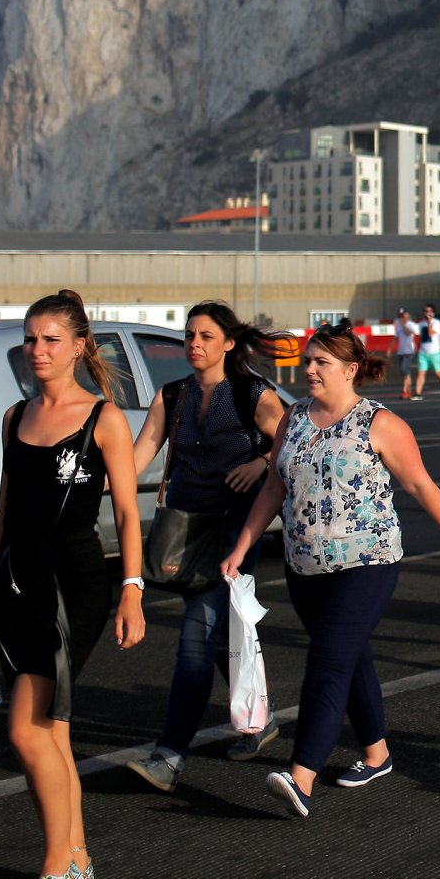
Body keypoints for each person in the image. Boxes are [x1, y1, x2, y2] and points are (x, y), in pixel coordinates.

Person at [221, 325, 440, 820]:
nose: (310, 369)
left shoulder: (380, 424)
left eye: (321, 362)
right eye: (309, 360)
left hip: (367, 563)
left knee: (327, 662)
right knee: (350, 656)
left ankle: (302, 775)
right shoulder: (292, 418)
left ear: (350, 369)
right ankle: (377, 754)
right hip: (304, 566)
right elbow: (273, 489)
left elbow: (420, 485)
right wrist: (242, 546)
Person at [0, 290, 147, 879]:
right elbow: (5, 510)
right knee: (51, 735)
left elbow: (126, 513)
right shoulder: (14, 418)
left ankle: (57, 864)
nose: (37, 350)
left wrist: (133, 592)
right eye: (31, 339)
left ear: (80, 346)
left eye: (51, 339)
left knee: (25, 732)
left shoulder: (103, 419)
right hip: (13, 585)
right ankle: (77, 857)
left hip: (74, 587)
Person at [125, 302, 290, 792]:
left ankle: (169, 756)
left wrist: (260, 464)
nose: (194, 344)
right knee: (219, 635)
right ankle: (260, 717)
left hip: (231, 534)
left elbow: (287, 441)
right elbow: (136, 459)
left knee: (196, 637)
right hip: (182, 527)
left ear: (229, 343)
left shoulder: (250, 394)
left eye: (205, 336)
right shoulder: (172, 394)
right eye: (189, 336)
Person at [416, 303, 440, 397]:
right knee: (421, 373)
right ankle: (418, 393)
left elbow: (431, 333)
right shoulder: (421, 324)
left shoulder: (436, 323)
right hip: (423, 352)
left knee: (438, 372)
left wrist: (429, 323)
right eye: (426, 311)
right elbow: (421, 337)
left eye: (429, 311)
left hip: (434, 353)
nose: (427, 313)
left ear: (433, 312)